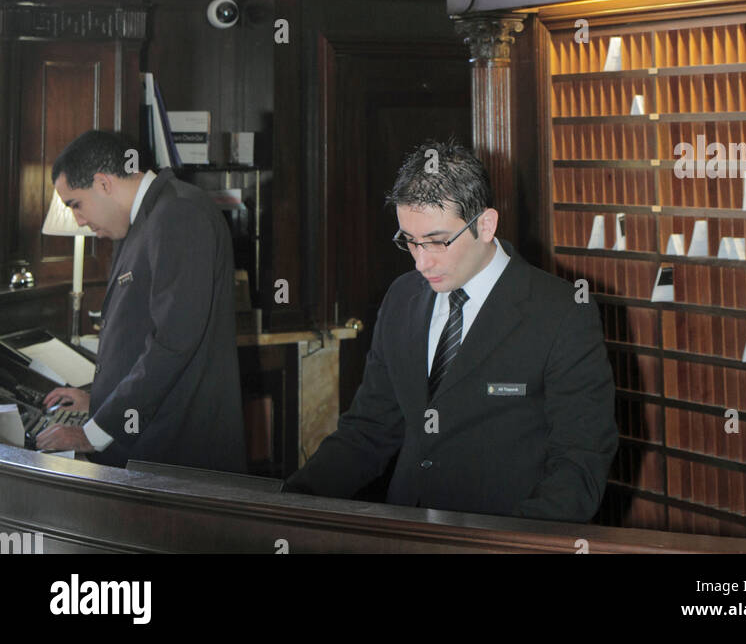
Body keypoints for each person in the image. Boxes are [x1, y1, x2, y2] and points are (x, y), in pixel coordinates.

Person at [283, 140, 617, 521]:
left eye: (438, 242)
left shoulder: (561, 312)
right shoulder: (401, 298)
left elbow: (580, 460)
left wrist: (515, 545)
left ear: (486, 225)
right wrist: (293, 499)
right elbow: (370, 430)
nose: (422, 262)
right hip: (406, 538)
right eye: (410, 241)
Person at [36, 129, 246, 473]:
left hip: (178, 458)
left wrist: (93, 432)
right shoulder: (143, 219)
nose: (80, 221)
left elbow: (173, 342)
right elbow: (140, 338)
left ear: (103, 183)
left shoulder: (178, 212)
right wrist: (99, 401)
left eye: (76, 204)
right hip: (153, 444)